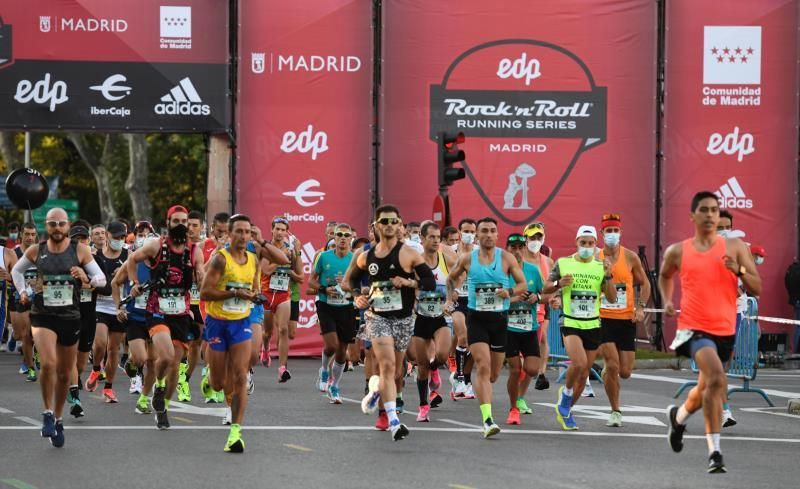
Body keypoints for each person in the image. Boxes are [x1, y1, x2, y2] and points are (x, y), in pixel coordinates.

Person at [660, 191, 761, 473]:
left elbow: (757, 287)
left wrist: (738, 269)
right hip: (693, 328)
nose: (709, 214)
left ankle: (678, 419)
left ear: (720, 216)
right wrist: (668, 301)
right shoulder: (678, 251)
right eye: (703, 209)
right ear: (693, 216)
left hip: (724, 329)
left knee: (706, 386)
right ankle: (714, 452)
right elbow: (665, 275)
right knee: (717, 379)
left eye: (714, 210)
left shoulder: (736, 248)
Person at [12, 208, 107, 447]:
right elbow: (16, 270)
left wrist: (85, 277)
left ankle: (58, 416)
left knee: (65, 374)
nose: (57, 228)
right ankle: (46, 413)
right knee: (49, 363)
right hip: (43, 315)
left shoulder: (80, 250)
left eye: (61, 224)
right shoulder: (37, 250)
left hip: (70, 316)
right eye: (52, 224)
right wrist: (23, 291)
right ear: (47, 226)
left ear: (68, 225)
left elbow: (102, 279)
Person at [344, 204, 436, 441]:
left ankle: (377, 391)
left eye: (394, 221)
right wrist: (358, 296)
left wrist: (408, 283)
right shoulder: (366, 256)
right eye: (384, 222)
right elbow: (349, 280)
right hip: (378, 317)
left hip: (404, 318)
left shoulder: (408, 253)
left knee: (396, 372)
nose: (389, 226)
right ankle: (393, 421)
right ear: (376, 226)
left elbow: (429, 282)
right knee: (385, 366)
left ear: (400, 225)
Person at [127, 205, 205, 430]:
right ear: (169, 222)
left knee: (173, 364)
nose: (181, 225)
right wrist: (134, 283)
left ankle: (163, 405)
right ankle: (158, 385)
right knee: (168, 356)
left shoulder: (194, 251)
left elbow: (201, 273)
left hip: (181, 313)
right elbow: (132, 259)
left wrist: (201, 276)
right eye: (176, 221)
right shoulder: (156, 246)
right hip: (157, 310)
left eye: (184, 221)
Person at [447, 218, 526, 437]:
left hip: (500, 320)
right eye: (484, 231)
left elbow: (523, 285)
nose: (488, 235)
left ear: (497, 234)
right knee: (482, 366)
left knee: (493, 374)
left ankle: (468, 377)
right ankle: (487, 420)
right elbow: (451, 279)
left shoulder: (506, 258)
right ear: (477, 236)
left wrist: (509, 293)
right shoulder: (467, 259)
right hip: (477, 319)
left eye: (492, 231)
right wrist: (449, 297)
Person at [541, 225, 616, 431]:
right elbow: (545, 288)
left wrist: (609, 276)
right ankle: (565, 395)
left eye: (590, 244)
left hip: (592, 323)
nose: (586, 247)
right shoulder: (563, 263)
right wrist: (558, 283)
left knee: (584, 374)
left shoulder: (601, 266)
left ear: (595, 245)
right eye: (583, 243)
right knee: (580, 362)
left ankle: (567, 410)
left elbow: (611, 297)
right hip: (570, 320)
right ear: (576, 243)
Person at [201, 214, 261, 453]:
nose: (244, 236)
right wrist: (234, 293)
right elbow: (205, 292)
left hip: (241, 322)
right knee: (217, 384)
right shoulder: (220, 260)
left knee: (240, 376)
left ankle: (235, 432)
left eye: (247, 232)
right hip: (217, 323)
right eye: (239, 231)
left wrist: (254, 296)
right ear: (230, 234)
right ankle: (210, 378)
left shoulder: (253, 259)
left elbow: (254, 288)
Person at [597, 213, 650, 427]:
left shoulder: (630, 257)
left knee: (625, 371)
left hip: (626, 318)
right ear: (602, 233)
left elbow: (644, 284)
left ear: (621, 232)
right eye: (608, 231)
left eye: (615, 230)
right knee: (612, 365)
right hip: (603, 317)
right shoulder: (595, 258)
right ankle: (615, 411)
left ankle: (609, 372)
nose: (612, 234)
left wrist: (640, 307)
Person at [112, 224, 159, 415]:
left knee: (154, 362)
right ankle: (131, 361)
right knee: (141, 358)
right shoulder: (133, 264)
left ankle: (144, 398)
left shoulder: (162, 266)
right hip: (135, 318)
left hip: (156, 317)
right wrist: (119, 307)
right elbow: (115, 283)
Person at [411, 221, 455, 422]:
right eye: (432, 237)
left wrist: (449, 300)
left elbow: (453, 281)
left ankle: (435, 367)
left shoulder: (446, 259)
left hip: (439, 317)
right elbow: (408, 288)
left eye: (438, 237)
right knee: (421, 366)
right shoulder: (415, 262)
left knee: (443, 354)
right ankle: (423, 406)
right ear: (422, 239)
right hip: (420, 318)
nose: (436, 241)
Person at [308, 223, 356, 404]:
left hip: (346, 306)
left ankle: (334, 386)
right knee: (332, 345)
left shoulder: (355, 259)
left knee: (343, 352)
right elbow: (311, 281)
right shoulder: (323, 257)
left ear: (351, 238)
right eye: (339, 235)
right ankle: (324, 369)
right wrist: (324, 289)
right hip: (326, 305)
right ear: (333, 239)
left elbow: (360, 285)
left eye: (346, 235)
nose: (343, 238)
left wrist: (349, 287)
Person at [86, 221, 129, 403]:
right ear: (108, 236)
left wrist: (125, 273)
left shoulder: (128, 255)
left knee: (113, 351)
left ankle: (109, 389)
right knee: (100, 343)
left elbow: (135, 278)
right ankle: (96, 368)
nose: (119, 240)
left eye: (122, 237)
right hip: (100, 306)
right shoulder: (96, 256)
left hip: (118, 307)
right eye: (116, 236)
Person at [503, 233, 544, 425]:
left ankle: (518, 395)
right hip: (509, 329)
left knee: (532, 369)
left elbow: (543, 293)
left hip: (529, 328)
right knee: (514, 369)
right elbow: (495, 299)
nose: (517, 251)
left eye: (521, 247)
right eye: (513, 248)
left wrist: (536, 297)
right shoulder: (502, 273)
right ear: (507, 250)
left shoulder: (533, 271)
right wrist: (513, 299)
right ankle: (513, 408)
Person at [521, 221, 555, 396]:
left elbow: (553, 288)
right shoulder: (518, 258)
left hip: (540, 309)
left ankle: (540, 373)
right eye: (532, 237)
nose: (535, 240)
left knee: (541, 340)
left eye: (539, 237)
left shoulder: (548, 261)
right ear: (525, 238)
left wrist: (551, 298)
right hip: (517, 310)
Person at [450, 218, 477, 400]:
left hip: (476, 302)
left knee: (476, 344)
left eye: (472, 232)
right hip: (457, 301)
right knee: (463, 337)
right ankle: (459, 378)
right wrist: (450, 292)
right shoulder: (450, 253)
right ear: (459, 233)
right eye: (465, 231)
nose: (469, 235)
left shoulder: (480, 253)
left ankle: (466, 379)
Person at [9, 223, 39, 383]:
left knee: (35, 333)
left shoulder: (40, 252)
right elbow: (9, 273)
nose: (29, 237)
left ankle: (35, 356)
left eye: (32, 234)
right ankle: (31, 366)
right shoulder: (14, 253)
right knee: (25, 334)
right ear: (21, 234)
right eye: (26, 233)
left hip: (39, 297)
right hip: (20, 296)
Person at [785, 259, 800, 353]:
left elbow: (787, 283)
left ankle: (796, 352)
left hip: (796, 301)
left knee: (798, 327)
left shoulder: (792, 268)